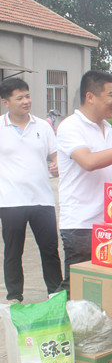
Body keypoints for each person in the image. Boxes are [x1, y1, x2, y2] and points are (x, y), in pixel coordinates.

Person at [55, 70, 112, 294]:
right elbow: (88, 161)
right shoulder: (70, 126)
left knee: (101, 288)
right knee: (77, 288)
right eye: (111, 95)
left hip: (108, 221)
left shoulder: (107, 128)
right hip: (81, 224)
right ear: (90, 97)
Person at [0, 78, 62, 303]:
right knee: (13, 252)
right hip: (10, 202)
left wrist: (56, 165)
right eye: (19, 98)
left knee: (50, 249)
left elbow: (56, 155)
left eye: (27, 96)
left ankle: (55, 294)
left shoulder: (43, 127)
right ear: (6, 102)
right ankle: (14, 297)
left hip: (42, 200)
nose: (26, 101)